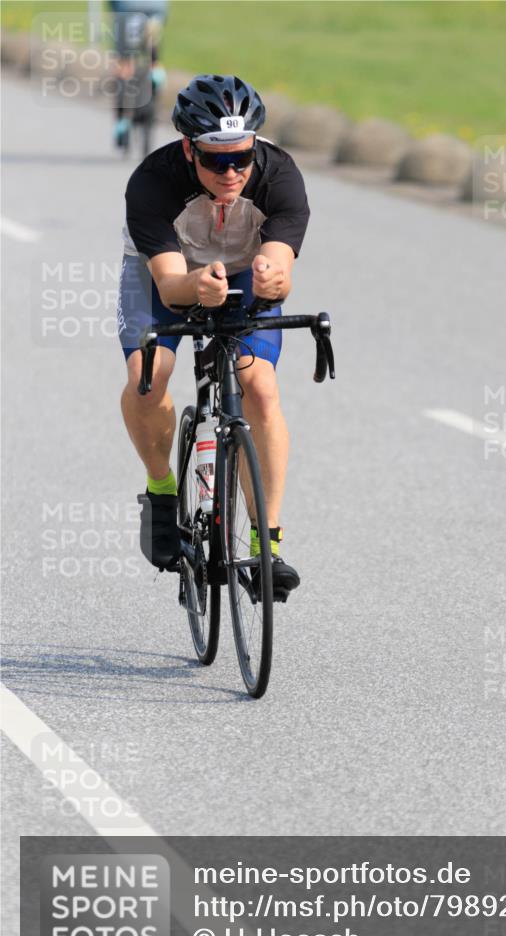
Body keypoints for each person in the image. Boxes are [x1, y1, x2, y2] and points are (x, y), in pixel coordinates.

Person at [118, 74, 310, 597]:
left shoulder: (280, 176)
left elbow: (281, 267)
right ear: (189, 148)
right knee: (148, 376)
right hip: (167, 273)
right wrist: (195, 286)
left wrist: (275, 276)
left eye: (241, 158)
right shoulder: (153, 181)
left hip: (243, 271)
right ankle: (161, 492)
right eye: (215, 160)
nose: (231, 172)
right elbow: (171, 285)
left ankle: (266, 542)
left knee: (262, 389)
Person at [108, 0, 169, 147]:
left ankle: (122, 120)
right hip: (155, 9)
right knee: (152, 49)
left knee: (124, 64)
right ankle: (156, 71)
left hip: (127, 9)